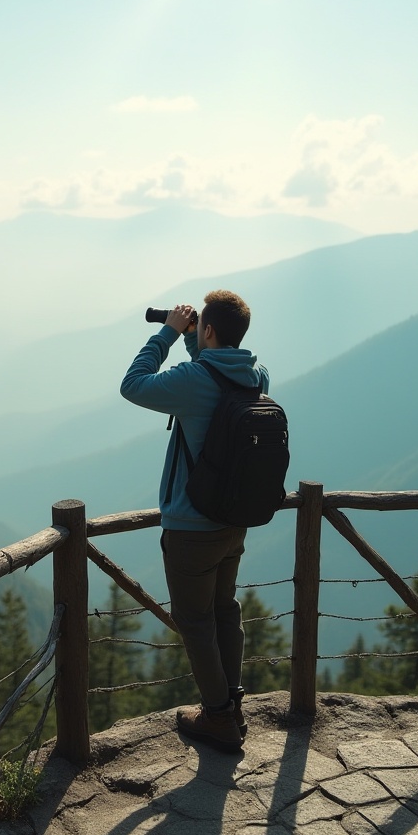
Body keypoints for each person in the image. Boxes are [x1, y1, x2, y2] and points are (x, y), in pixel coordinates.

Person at [119, 289, 269, 753]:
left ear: (207, 330)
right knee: (226, 610)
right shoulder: (256, 376)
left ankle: (218, 716)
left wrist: (166, 333)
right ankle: (231, 703)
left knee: (195, 621)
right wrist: (195, 336)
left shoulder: (192, 379)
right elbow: (215, 374)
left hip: (191, 528)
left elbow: (134, 385)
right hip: (235, 521)